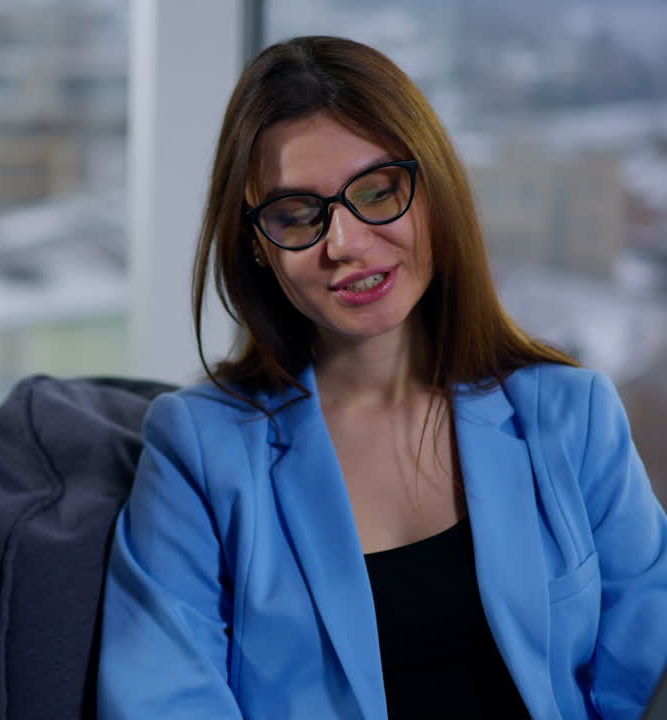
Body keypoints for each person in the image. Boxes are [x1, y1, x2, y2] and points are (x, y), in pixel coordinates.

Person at [98, 36, 667, 719]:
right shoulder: (199, 448)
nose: (344, 243)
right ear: (257, 241)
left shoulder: (575, 417)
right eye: (296, 214)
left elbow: (646, 676)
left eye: (377, 192)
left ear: (433, 193)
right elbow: (162, 700)